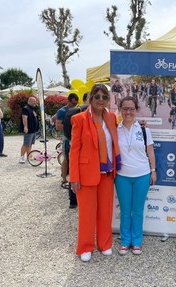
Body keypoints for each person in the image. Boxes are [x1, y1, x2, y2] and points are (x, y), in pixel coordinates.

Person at [69, 84, 121, 262]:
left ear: (108, 100)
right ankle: (85, 246)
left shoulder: (112, 117)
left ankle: (104, 243)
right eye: (97, 96)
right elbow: (74, 150)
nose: (101, 99)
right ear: (91, 98)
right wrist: (73, 177)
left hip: (107, 173)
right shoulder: (80, 119)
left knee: (105, 211)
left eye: (104, 97)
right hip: (86, 174)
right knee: (87, 212)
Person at [115, 96, 156, 256]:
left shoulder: (144, 129)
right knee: (125, 210)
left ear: (136, 110)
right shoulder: (115, 129)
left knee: (138, 210)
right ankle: (125, 241)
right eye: (125, 108)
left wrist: (153, 171)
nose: (128, 112)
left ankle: (137, 241)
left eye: (131, 108)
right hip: (122, 176)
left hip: (142, 175)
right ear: (120, 110)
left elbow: (150, 151)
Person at [56, 93, 79, 208]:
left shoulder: (77, 110)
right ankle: (64, 179)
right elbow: (58, 126)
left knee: (73, 161)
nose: (74, 105)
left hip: (74, 137)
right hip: (66, 137)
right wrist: (70, 126)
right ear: (68, 101)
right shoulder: (62, 111)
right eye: (72, 103)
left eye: (76, 103)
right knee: (66, 159)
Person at [19, 96, 39, 164]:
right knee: (25, 144)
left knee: (30, 144)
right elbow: (24, 118)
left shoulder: (32, 109)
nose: (35, 103)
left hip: (33, 130)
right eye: (33, 101)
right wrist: (25, 127)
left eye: (35, 101)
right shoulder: (26, 109)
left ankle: (29, 156)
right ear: (29, 101)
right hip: (29, 129)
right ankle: (22, 157)